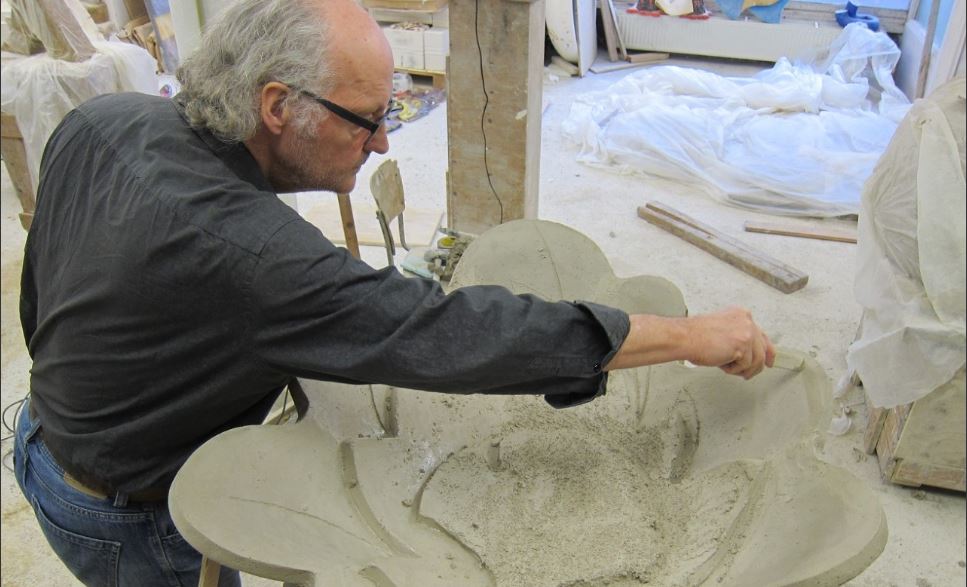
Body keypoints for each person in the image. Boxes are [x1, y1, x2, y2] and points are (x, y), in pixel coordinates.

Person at [14, 0, 775, 585]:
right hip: (126, 516)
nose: (382, 142)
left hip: (39, 431)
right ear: (276, 106)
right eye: (369, 120)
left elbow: (40, 290)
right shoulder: (256, 256)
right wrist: (684, 335)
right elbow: (460, 335)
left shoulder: (104, 119)